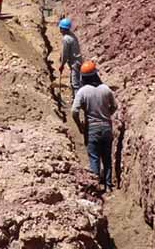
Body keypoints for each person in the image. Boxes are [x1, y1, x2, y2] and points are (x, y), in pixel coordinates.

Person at [71, 61, 117, 192]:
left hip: (92, 128)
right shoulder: (105, 89)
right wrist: (107, 115)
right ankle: (108, 186)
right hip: (107, 128)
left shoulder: (82, 91)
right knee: (107, 157)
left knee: (94, 158)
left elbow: (74, 111)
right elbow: (114, 106)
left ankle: (96, 187)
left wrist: (79, 125)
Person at [58, 18, 82, 99]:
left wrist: (62, 65)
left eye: (60, 28)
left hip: (75, 63)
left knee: (75, 84)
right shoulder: (72, 34)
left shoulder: (66, 39)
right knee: (75, 81)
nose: (60, 30)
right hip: (78, 61)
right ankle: (75, 98)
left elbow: (65, 55)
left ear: (62, 29)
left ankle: (77, 103)